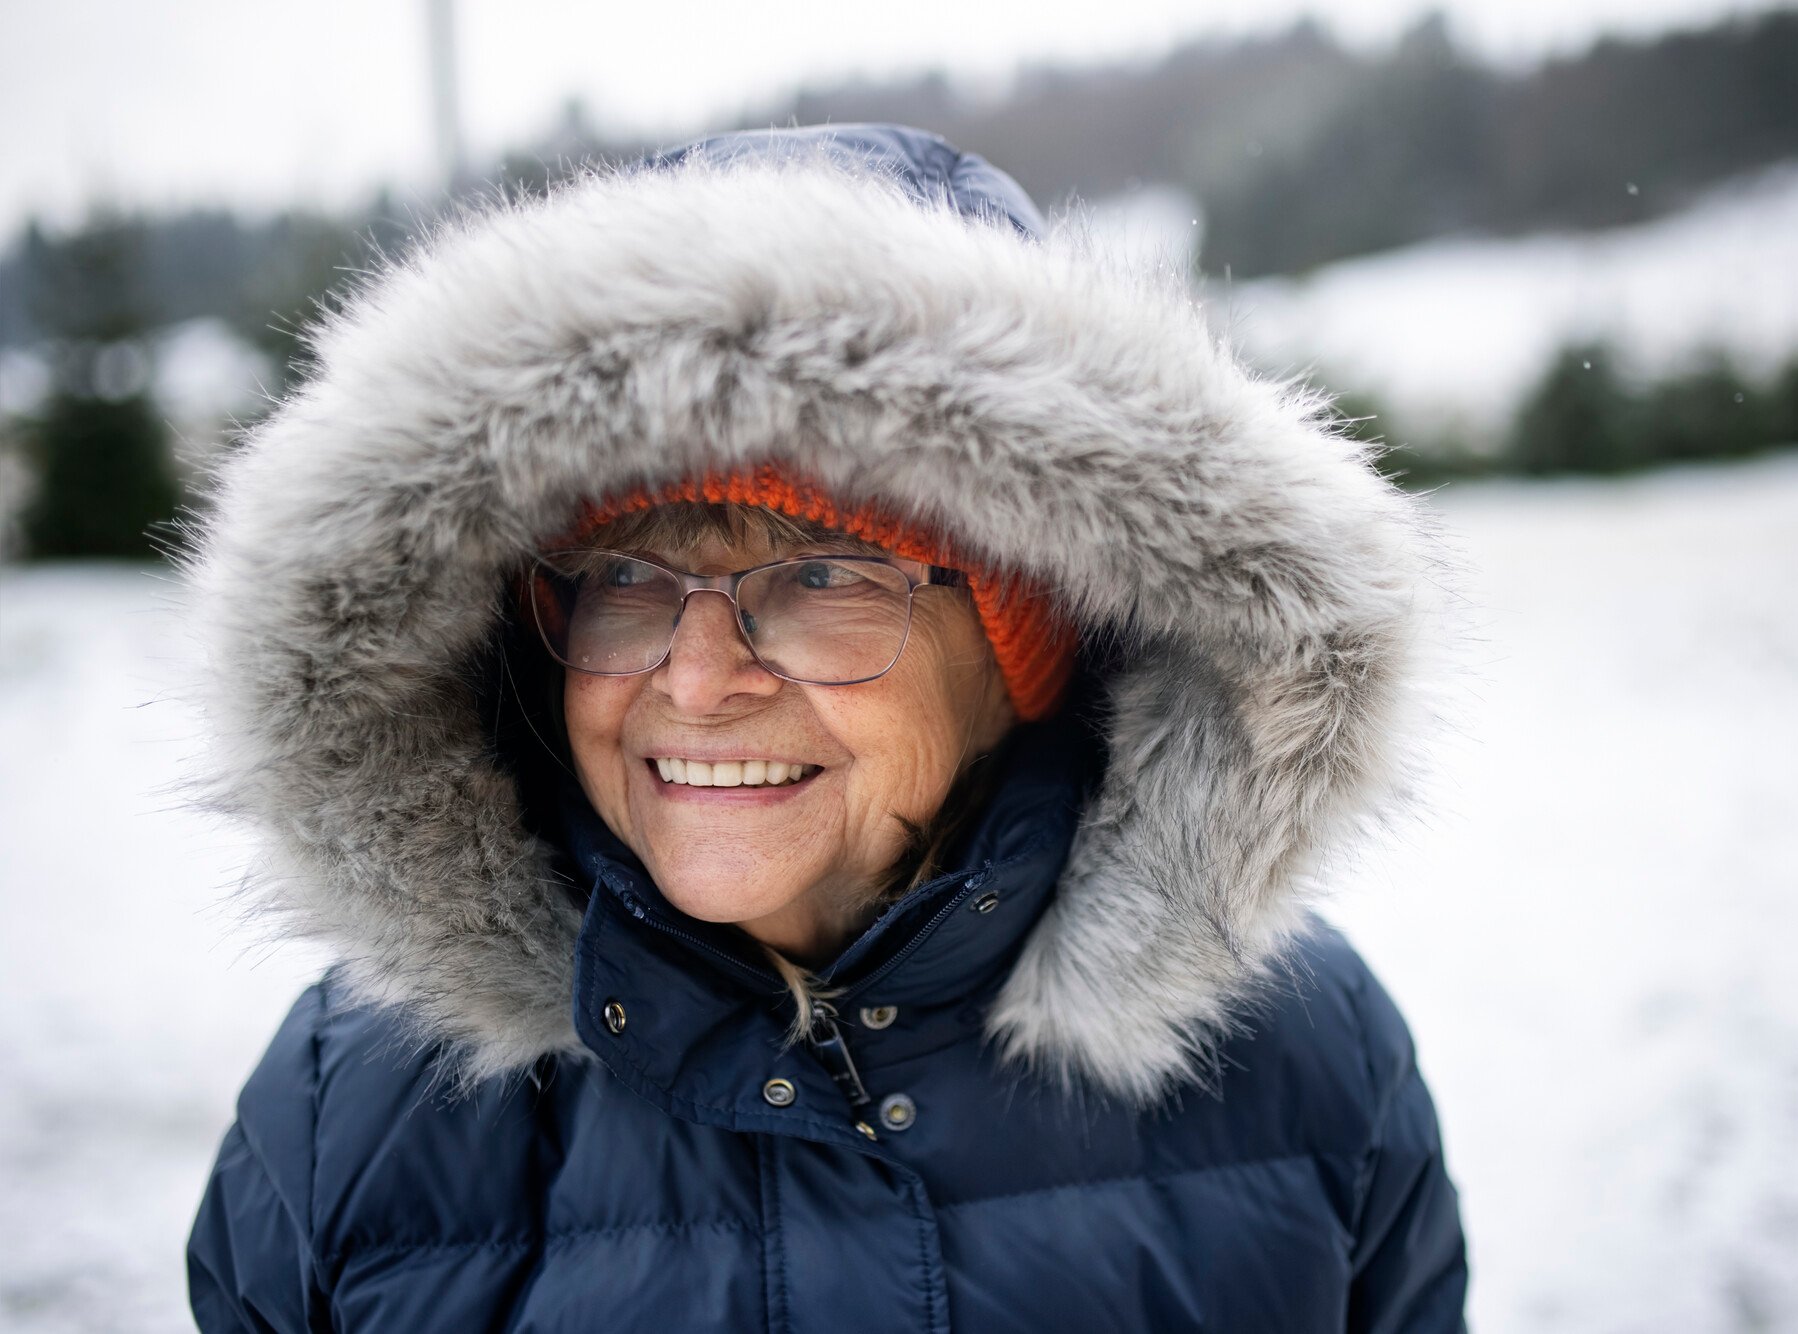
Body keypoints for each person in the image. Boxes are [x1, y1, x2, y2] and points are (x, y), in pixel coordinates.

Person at [185, 123, 1469, 1332]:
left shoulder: (1302, 1061)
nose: (696, 681)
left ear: (1018, 650)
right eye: (624, 577)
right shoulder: (346, 1113)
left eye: (820, 578)